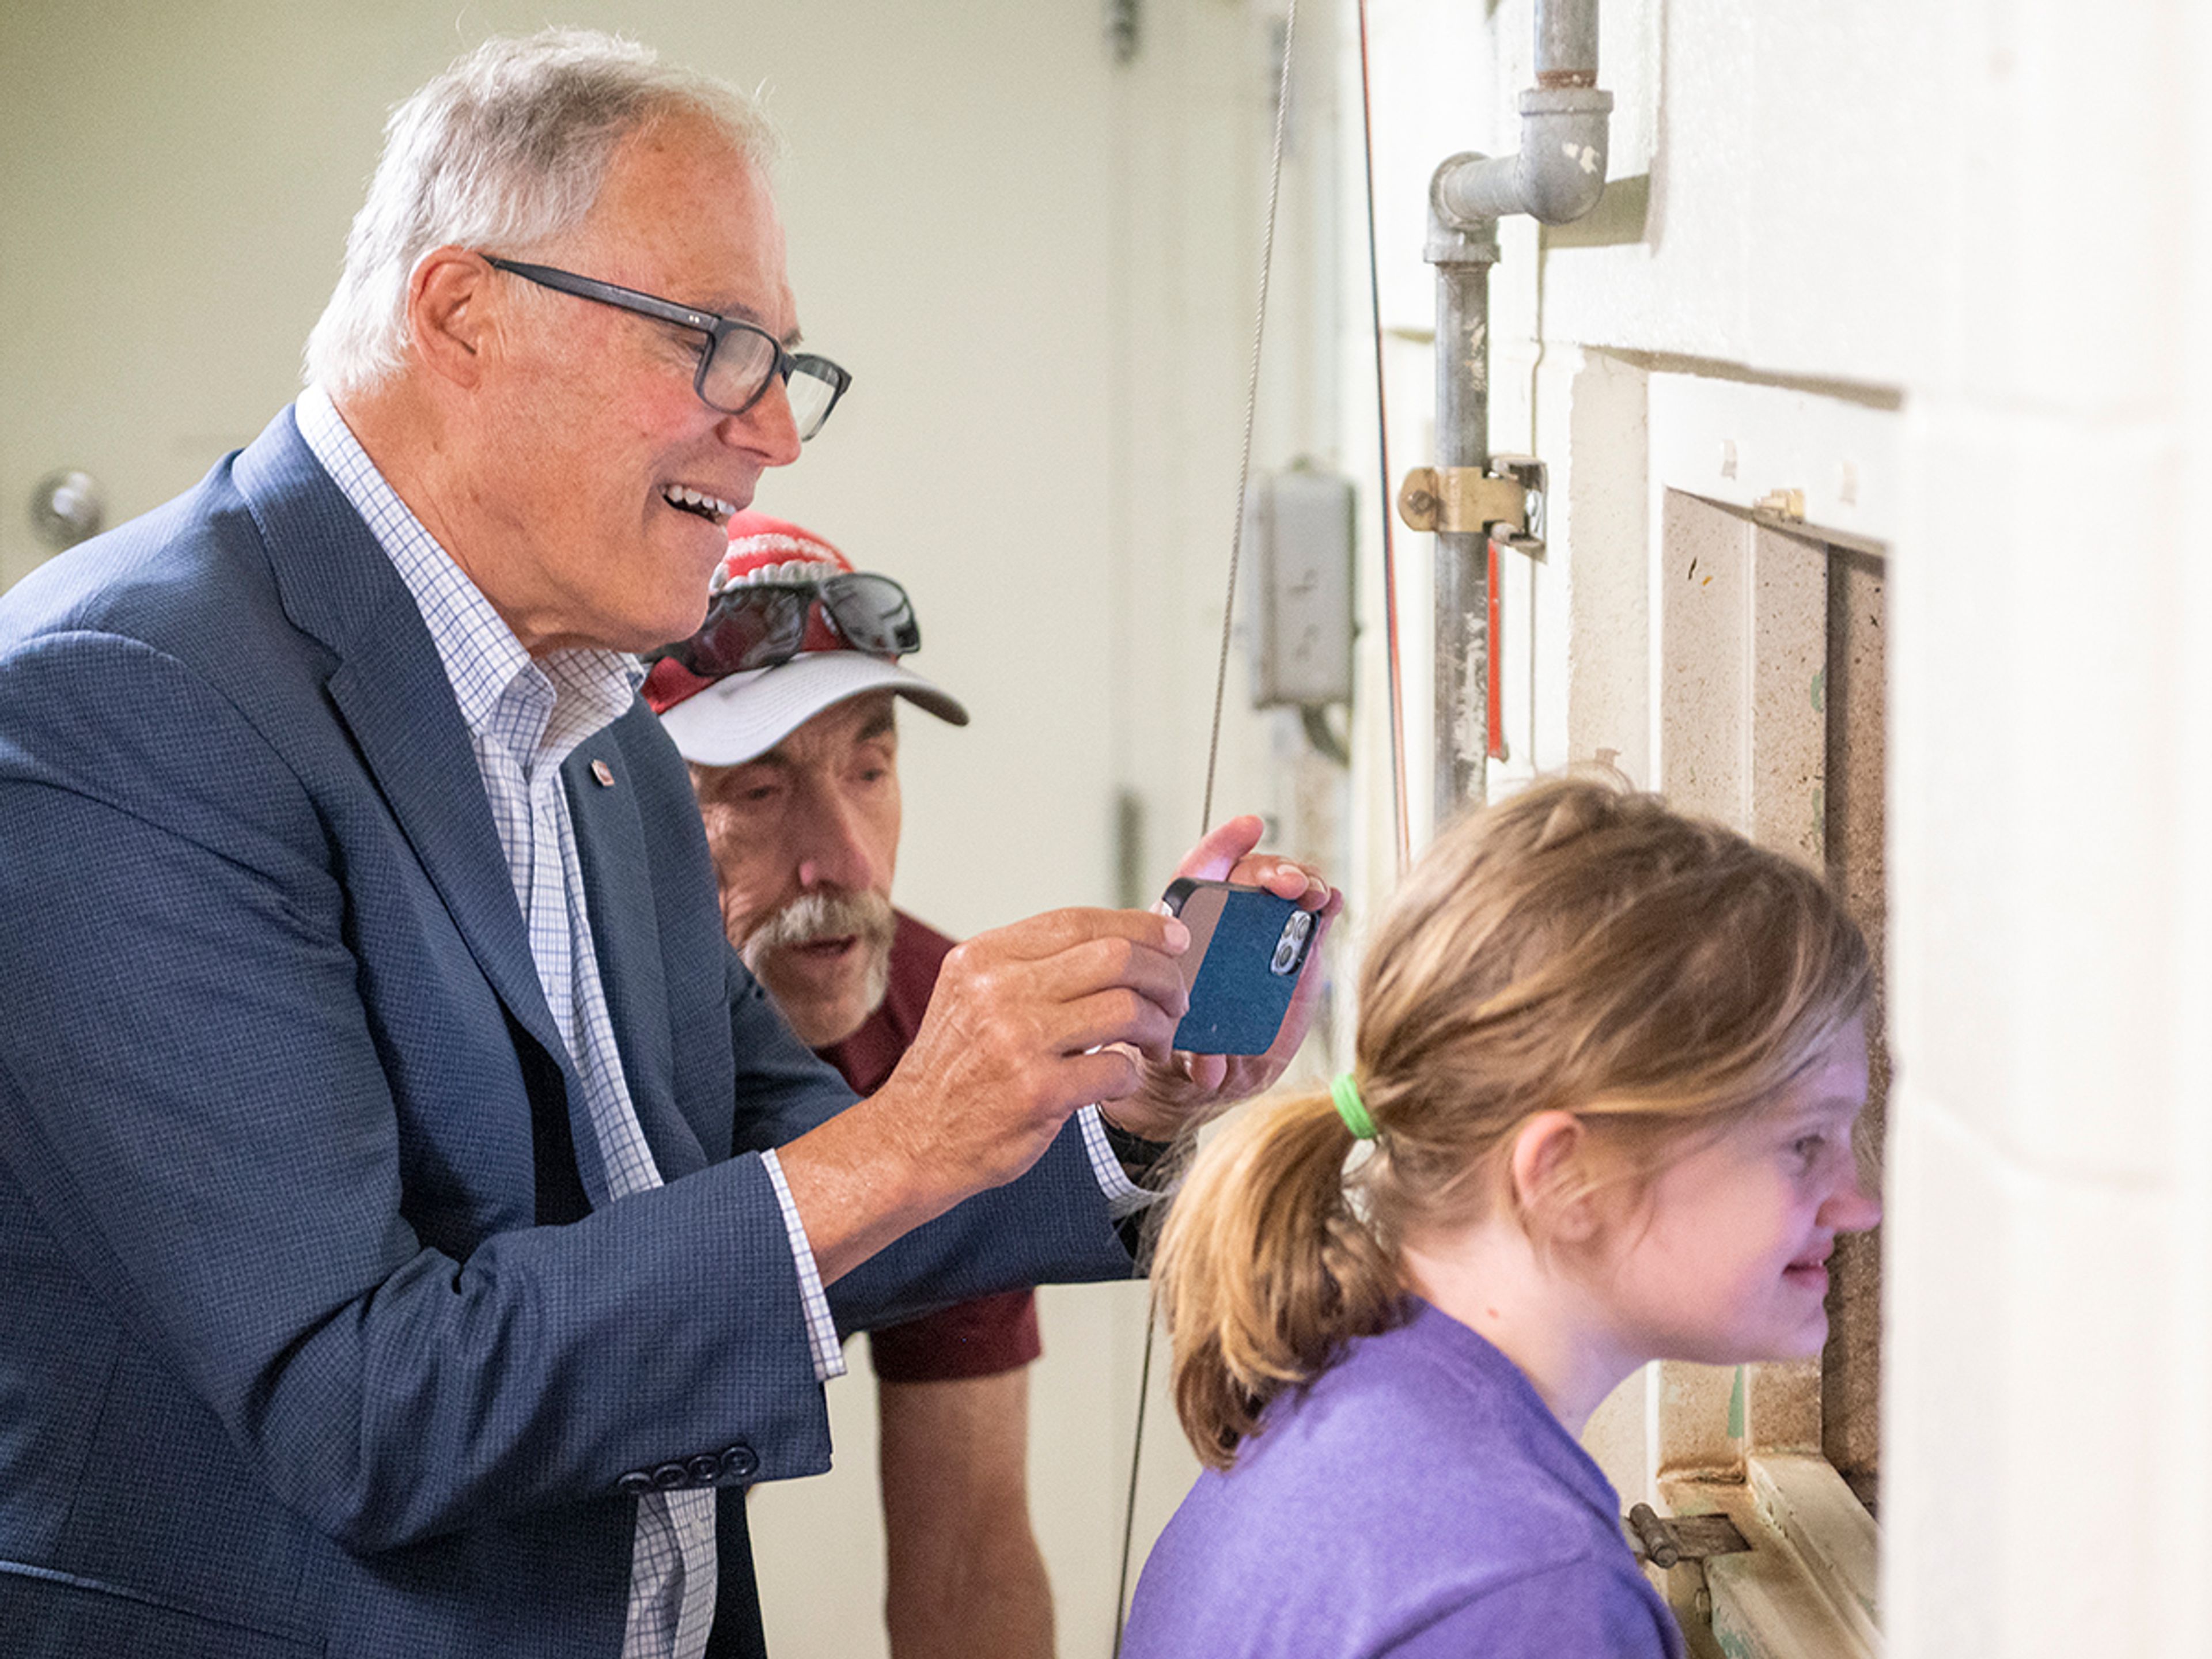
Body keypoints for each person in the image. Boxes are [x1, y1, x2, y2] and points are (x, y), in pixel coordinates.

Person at [0, 30, 1332, 1659]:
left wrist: (1114, 1108)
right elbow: (361, 1402)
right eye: (716, 345)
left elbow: (771, 1167)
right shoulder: (121, 702)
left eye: (786, 363)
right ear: (462, 315)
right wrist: (906, 1138)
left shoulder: (596, 708)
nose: (775, 429)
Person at [1121, 775, 1881, 1659]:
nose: (1857, 1205)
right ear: (1565, 1176)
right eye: (1804, 1143)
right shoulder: (1528, 1592)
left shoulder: (1339, 1399)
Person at [643, 511, 1055, 1659]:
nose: (851, 862)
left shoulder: (940, 1039)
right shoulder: (544, 1016)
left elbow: (970, 1558)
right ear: (616, 802)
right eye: (760, 795)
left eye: (869, 768)